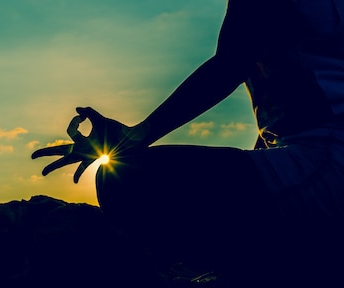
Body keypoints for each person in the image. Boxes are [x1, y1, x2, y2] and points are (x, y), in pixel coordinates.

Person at [32, 0, 344, 287]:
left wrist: (137, 135)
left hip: (326, 163)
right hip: (317, 160)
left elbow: (231, 62)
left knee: (125, 177)